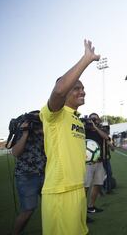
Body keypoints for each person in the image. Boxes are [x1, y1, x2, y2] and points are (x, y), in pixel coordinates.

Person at [39, 40, 100, 235]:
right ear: (66, 93)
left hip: (77, 187)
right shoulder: (54, 114)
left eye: (83, 88)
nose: (82, 91)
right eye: (76, 88)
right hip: (60, 192)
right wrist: (86, 60)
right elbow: (58, 90)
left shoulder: (77, 119)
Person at [11, 111, 46, 235]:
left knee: (50, 206)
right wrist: (26, 133)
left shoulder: (45, 132)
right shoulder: (23, 130)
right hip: (26, 175)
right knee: (28, 210)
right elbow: (15, 153)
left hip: (44, 173)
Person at [84, 113, 109, 214]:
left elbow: (106, 137)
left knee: (98, 184)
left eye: (95, 119)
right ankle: (81, 210)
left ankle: (91, 206)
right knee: (85, 187)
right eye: (92, 119)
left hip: (99, 162)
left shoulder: (101, 129)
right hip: (88, 163)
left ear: (98, 120)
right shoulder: (85, 130)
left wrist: (95, 127)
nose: (94, 120)